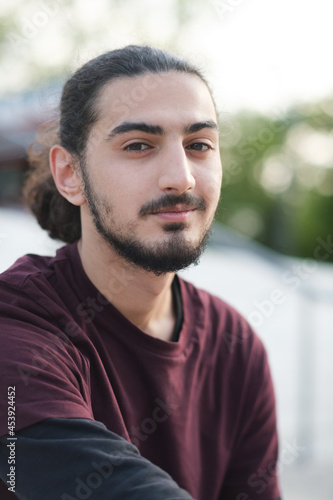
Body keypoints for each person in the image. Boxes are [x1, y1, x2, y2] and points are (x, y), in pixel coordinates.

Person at [0, 45, 281, 500]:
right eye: (138, 146)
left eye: (199, 146)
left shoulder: (236, 344)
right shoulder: (16, 325)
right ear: (70, 174)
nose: (181, 177)